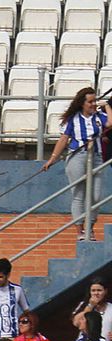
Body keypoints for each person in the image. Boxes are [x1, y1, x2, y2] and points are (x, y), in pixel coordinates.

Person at [43, 87, 111, 240]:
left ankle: (90, 228)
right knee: (79, 194)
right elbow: (63, 139)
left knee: (96, 196)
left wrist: (106, 106)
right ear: (82, 103)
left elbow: (110, 123)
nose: (93, 104)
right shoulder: (73, 119)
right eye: (90, 102)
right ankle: (80, 230)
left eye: (94, 101)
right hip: (77, 155)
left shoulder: (99, 116)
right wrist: (53, 158)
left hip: (96, 156)